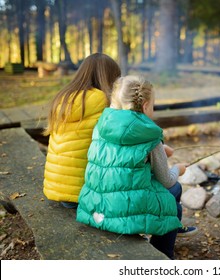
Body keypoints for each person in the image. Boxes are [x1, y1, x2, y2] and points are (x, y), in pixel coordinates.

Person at [76, 75, 197, 259]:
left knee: (172, 192)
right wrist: (178, 169)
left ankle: (169, 230)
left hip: (94, 206)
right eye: (153, 105)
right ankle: (161, 254)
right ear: (146, 105)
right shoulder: (150, 136)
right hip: (121, 210)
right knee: (174, 204)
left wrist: (160, 151)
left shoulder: (101, 126)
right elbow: (166, 180)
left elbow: (121, 156)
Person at [43, 53, 121, 209]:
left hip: (56, 188)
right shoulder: (102, 100)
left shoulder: (64, 98)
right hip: (84, 193)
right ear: (110, 78)